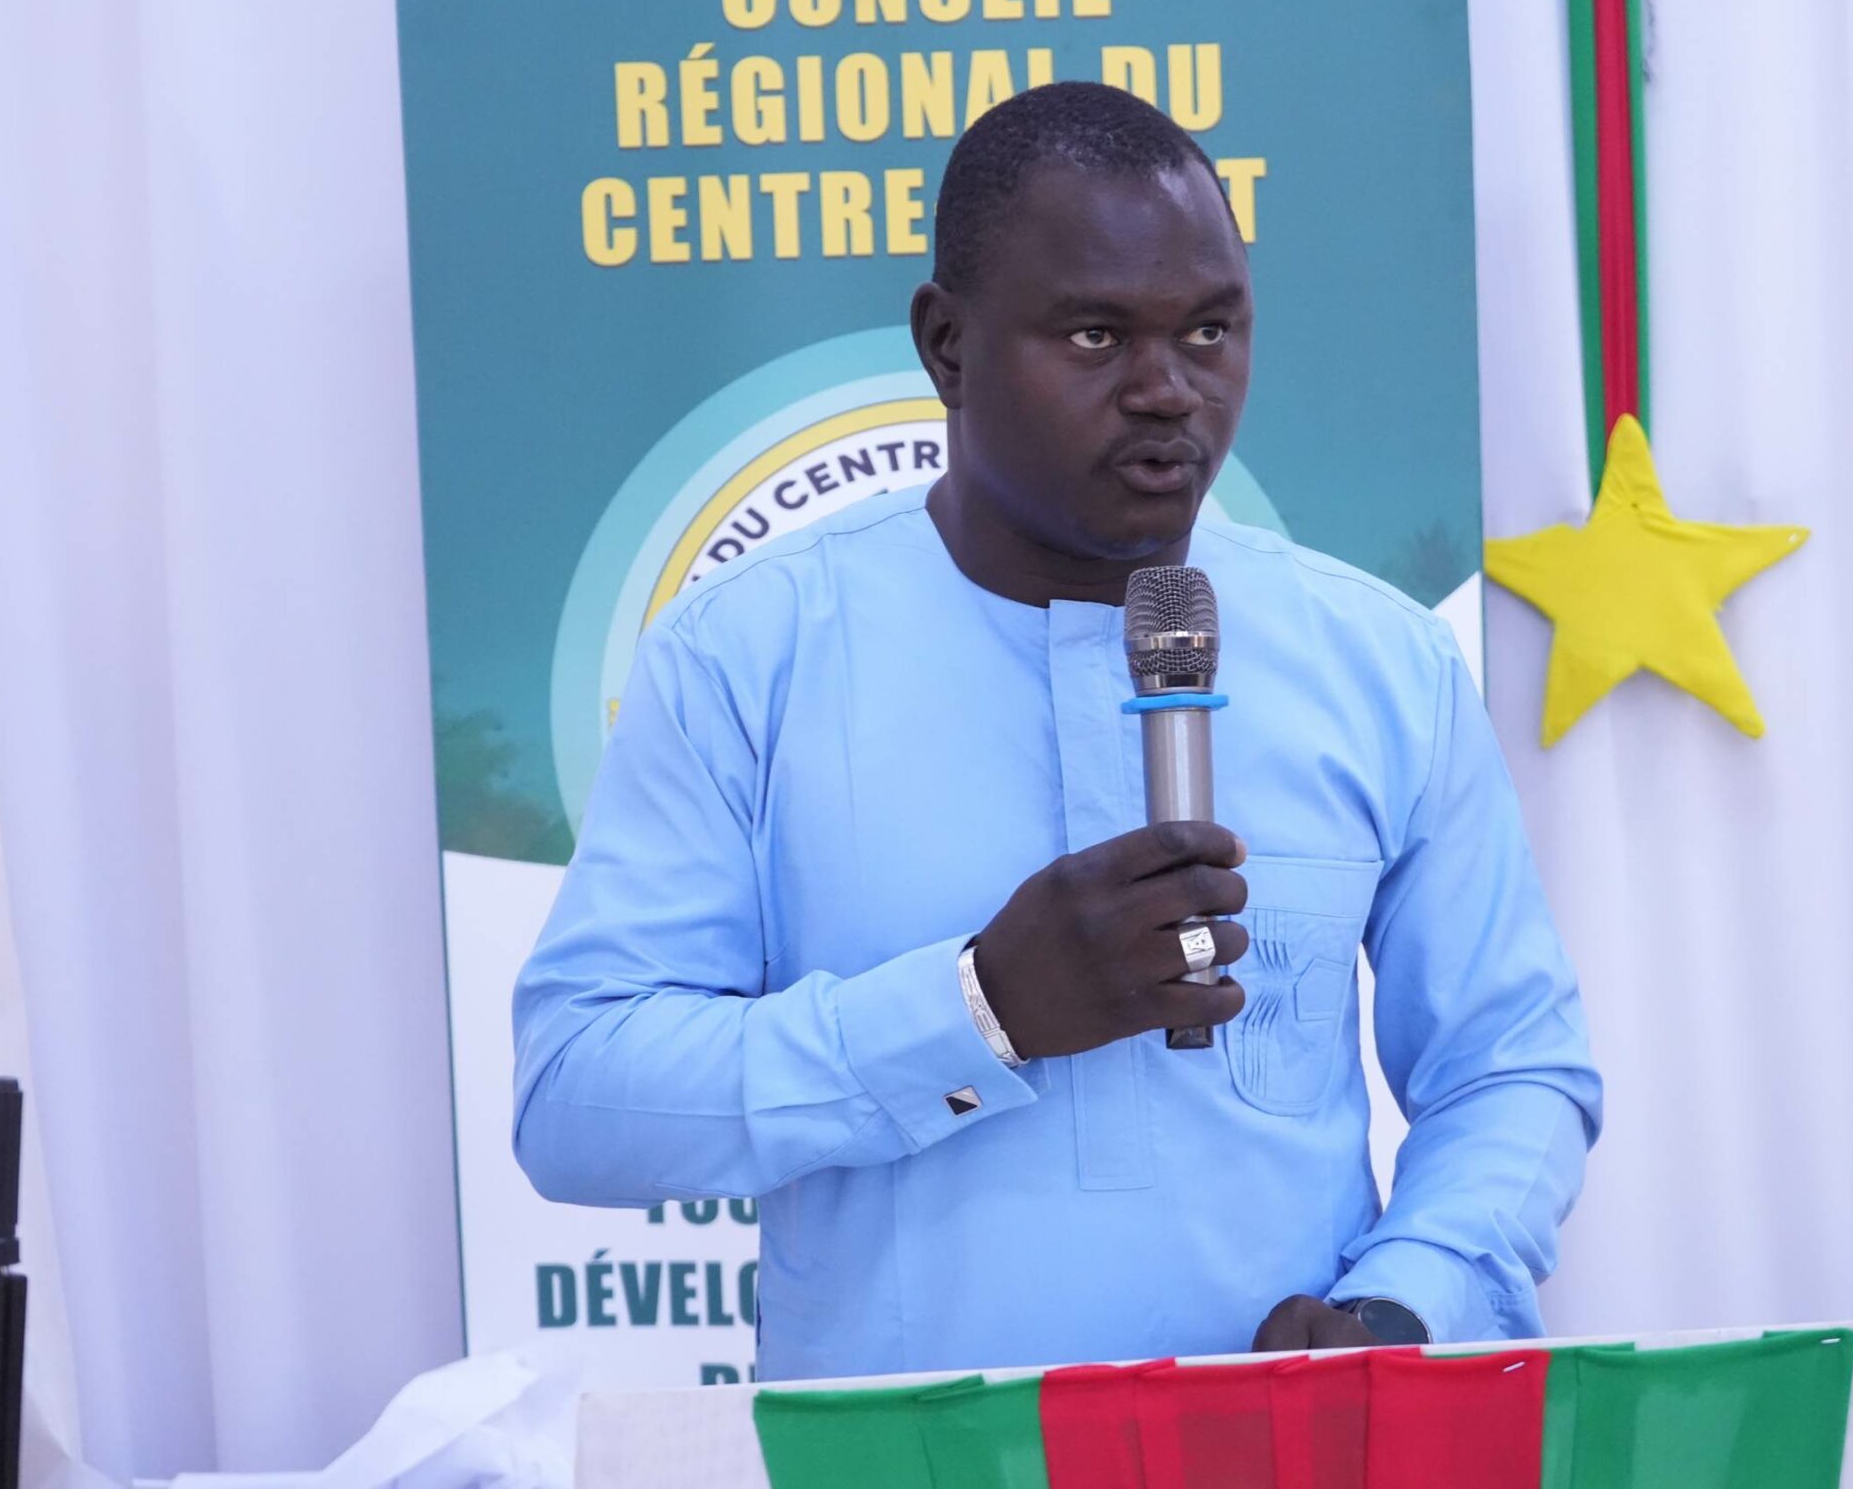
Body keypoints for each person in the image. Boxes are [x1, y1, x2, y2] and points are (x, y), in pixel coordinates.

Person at [512, 81, 1601, 1380]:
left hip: (1287, 1455)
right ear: (947, 346)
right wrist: (979, 1008)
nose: (1169, 391)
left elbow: (1511, 1071)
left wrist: (1403, 1306)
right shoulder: (747, 658)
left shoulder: (1382, 664)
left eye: (1209, 330)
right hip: (905, 1463)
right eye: (1096, 335)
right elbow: (577, 1097)